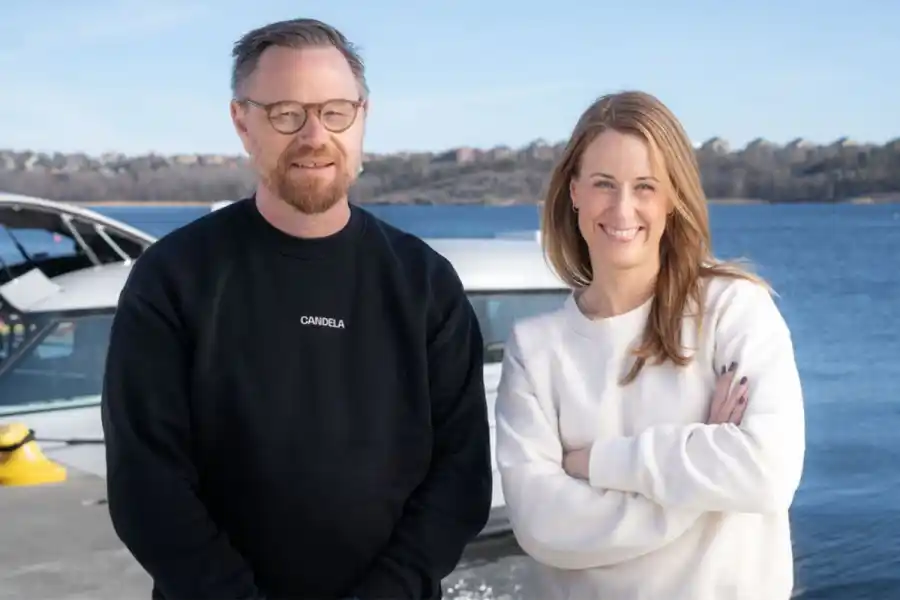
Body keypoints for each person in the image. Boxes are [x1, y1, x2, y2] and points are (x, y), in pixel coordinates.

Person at [101, 18, 492, 600]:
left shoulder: (424, 282)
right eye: (286, 113)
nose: (315, 136)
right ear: (242, 122)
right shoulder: (174, 277)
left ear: (363, 116)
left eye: (335, 112)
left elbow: (460, 478)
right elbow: (146, 483)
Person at [494, 91, 806, 600]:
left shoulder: (733, 309)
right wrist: (702, 481)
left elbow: (768, 472)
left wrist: (597, 463)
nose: (622, 208)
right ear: (574, 191)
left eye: (645, 186)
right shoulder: (536, 351)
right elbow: (543, 527)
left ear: (671, 198)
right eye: (603, 184)